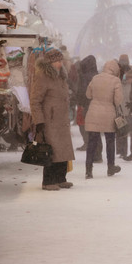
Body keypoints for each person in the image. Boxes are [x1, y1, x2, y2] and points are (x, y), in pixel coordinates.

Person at [30, 48, 75, 191]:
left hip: (61, 119)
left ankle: (61, 178)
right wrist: (39, 121)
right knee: (51, 150)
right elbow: (35, 101)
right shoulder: (43, 76)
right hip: (49, 120)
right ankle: (48, 181)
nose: (60, 64)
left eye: (61, 61)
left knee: (62, 150)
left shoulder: (61, 76)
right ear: (50, 62)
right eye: (57, 61)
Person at [84, 60, 124, 178]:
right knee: (110, 141)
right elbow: (118, 100)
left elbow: (88, 95)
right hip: (108, 114)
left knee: (92, 143)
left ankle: (88, 170)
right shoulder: (116, 81)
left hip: (93, 113)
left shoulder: (95, 78)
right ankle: (111, 167)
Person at [76, 55, 102, 161]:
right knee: (96, 130)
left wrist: (80, 102)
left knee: (90, 131)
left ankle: (94, 154)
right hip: (97, 105)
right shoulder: (97, 76)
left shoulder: (84, 76)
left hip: (88, 105)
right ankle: (98, 153)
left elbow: (82, 92)